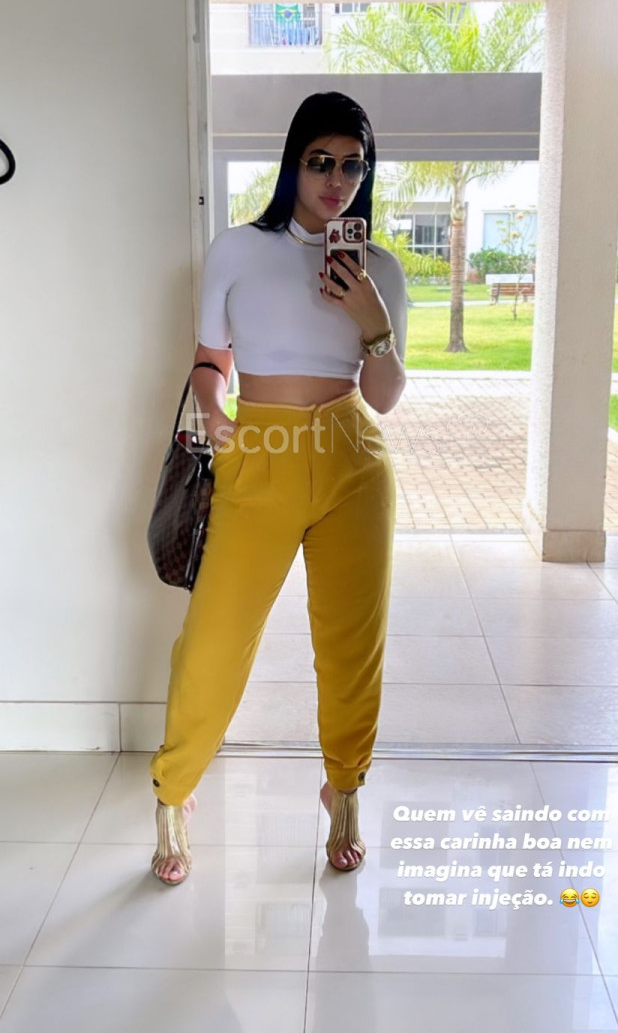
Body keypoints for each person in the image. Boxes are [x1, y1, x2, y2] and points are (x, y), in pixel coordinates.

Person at [149, 90, 408, 884]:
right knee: (214, 641)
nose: (336, 180)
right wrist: (213, 408)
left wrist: (371, 318)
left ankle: (344, 789)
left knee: (351, 644)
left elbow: (385, 398)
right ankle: (173, 792)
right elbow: (209, 359)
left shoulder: (380, 269)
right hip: (258, 452)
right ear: (293, 163)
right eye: (320, 161)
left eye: (352, 165)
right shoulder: (237, 249)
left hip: (352, 459)